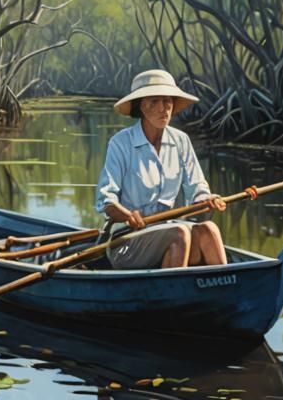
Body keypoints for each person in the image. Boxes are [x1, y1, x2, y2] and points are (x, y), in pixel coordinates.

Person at [95, 70, 227, 269]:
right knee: (179, 234)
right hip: (129, 241)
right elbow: (106, 200)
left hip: (170, 230)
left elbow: (197, 188)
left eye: (167, 101)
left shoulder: (181, 140)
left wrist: (206, 199)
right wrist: (127, 215)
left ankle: (226, 287)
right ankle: (173, 295)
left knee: (209, 230)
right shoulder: (121, 143)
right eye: (154, 101)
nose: (162, 109)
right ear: (140, 106)